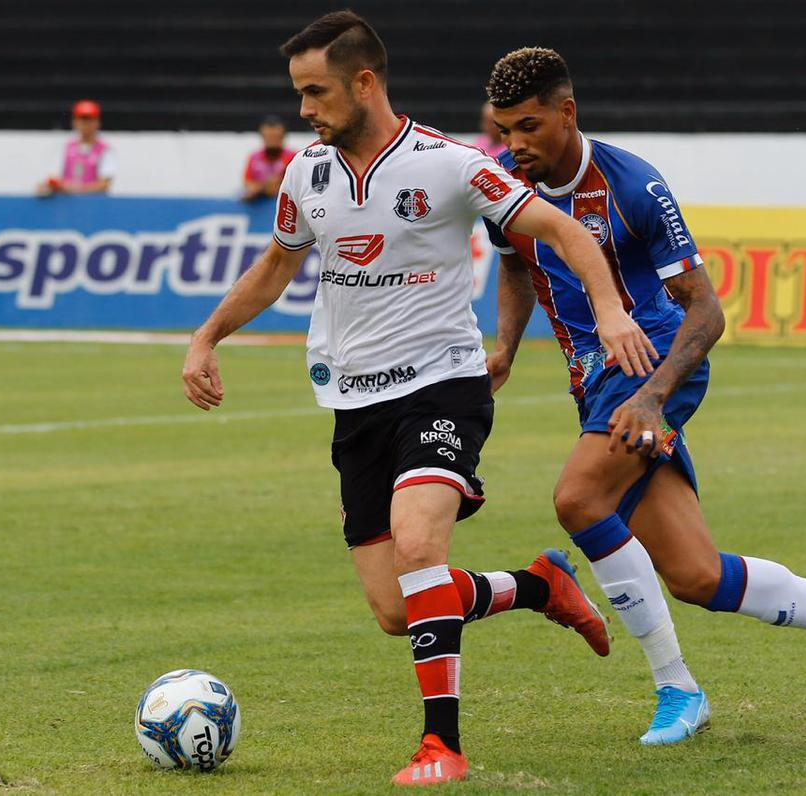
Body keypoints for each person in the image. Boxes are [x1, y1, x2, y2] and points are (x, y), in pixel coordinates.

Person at [181, 12, 660, 785]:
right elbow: (276, 265)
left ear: (363, 82)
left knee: (419, 548)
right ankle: (539, 585)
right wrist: (206, 338)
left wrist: (608, 311)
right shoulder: (307, 172)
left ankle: (443, 746)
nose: (304, 108)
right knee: (399, 610)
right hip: (354, 404)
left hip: (443, 387)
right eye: (299, 93)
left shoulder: (451, 165)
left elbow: (567, 233)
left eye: (315, 92)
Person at [482, 47, 806, 745]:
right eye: (504, 131)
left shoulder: (634, 187)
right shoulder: (504, 189)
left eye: (528, 127)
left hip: (654, 363)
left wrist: (652, 397)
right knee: (697, 577)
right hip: (596, 386)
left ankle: (678, 688)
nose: (515, 145)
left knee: (579, 498)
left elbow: (706, 313)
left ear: (567, 112)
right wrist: (506, 348)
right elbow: (517, 266)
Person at [37, 99, 116, 196]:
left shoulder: (105, 149)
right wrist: (46, 187)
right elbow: (54, 178)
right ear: (74, 122)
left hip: (94, 205)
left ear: (97, 122)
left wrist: (74, 190)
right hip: (67, 205)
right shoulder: (66, 147)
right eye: (82, 119)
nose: (85, 124)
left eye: (90, 119)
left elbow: (105, 184)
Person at [242, 114, 296, 201]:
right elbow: (247, 182)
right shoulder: (254, 157)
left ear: (283, 136)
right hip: (259, 203)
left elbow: (292, 185)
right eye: (268, 137)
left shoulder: (293, 157)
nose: (272, 140)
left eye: (275, 137)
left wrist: (261, 187)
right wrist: (262, 187)